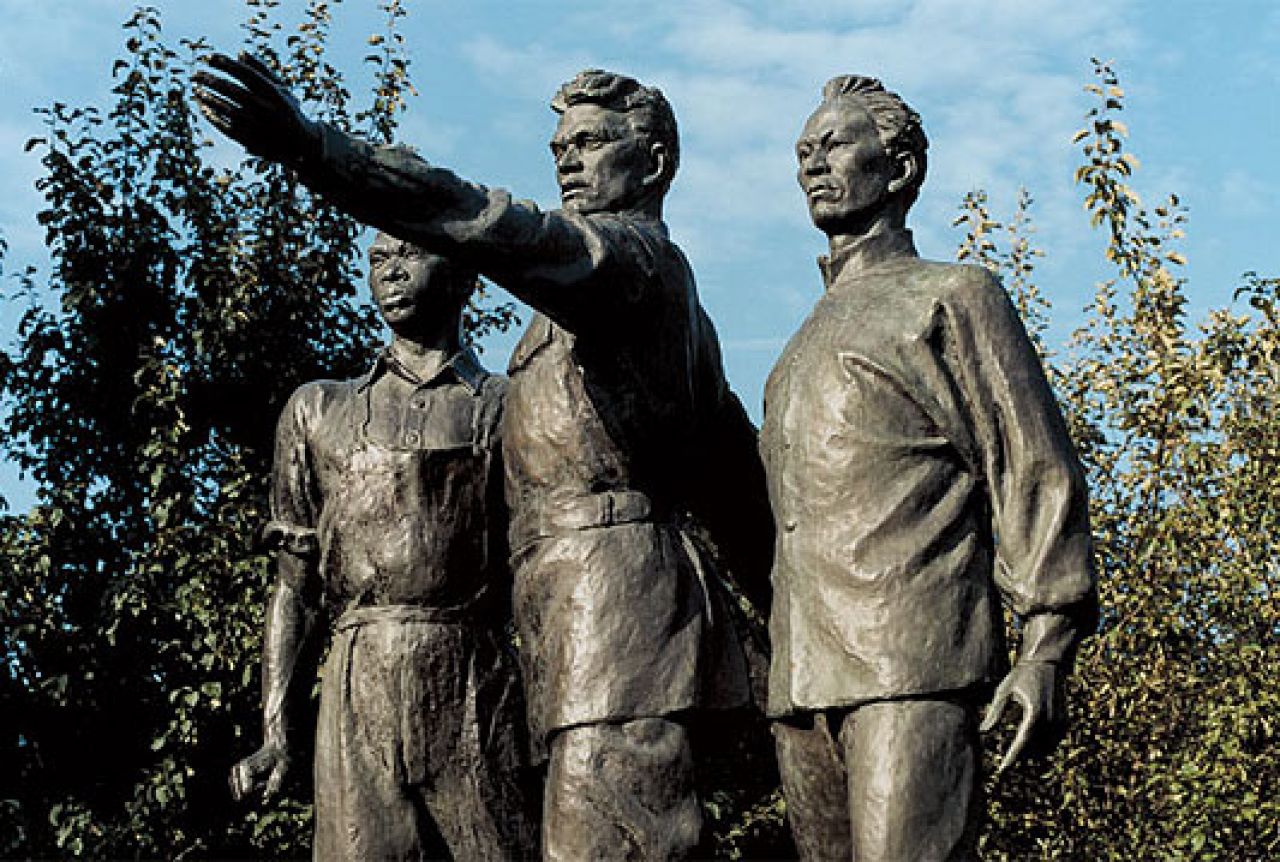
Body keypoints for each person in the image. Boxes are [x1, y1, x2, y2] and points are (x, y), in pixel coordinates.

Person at [197, 57, 773, 860]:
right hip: (579, 641)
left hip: (615, 631)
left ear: (654, 161)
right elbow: (733, 477)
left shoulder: (629, 267)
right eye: (559, 145)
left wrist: (316, 149)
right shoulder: (602, 310)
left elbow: (481, 219)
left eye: (591, 142)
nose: (566, 160)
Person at [760, 75, 1099, 861]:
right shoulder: (801, 341)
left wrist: (1045, 645)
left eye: (837, 143)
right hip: (802, 680)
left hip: (907, 665)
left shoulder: (954, 295)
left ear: (901, 168)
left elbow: (1033, 469)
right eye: (804, 151)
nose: (814, 162)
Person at [228, 234, 536, 860]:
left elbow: (541, 573)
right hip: (357, 678)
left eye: (410, 253)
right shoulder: (320, 409)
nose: (391, 272)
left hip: (473, 673)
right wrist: (275, 732)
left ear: (462, 276)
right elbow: (294, 588)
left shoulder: (509, 408)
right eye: (377, 259)